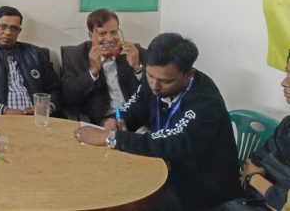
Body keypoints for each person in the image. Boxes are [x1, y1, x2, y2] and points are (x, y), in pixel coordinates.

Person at [73, 33, 240, 210]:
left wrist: (112, 138)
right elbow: (137, 106)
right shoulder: (154, 79)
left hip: (201, 186)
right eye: (150, 75)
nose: (154, 85)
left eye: (165, 81)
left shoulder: (206, 101)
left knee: (129, 201)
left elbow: (175, 142)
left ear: (189, 75)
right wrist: (115, 120)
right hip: (166, 168)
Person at [0, 6, 61, 115]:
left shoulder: (36, 54)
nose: (8, 32)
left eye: (14, 28)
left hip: (35, 117)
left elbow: (56, 90)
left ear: (19, 31)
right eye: (2, 26)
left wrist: (45, 107)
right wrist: (3, 110)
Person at [221, 50, 290, 210]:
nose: (284, 82)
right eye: (287, 73)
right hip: (252, 200)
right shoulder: (287, 124)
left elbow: (285, 204)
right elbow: (255, 161)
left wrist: (254, 179)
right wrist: (261, 184)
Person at [61, 8, 146, 125]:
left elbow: (155, 89)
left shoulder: (134, 52)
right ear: (91, 35)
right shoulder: (75, 57)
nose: (110, 39)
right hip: (100, 121)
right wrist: (93, 71)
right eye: (102, 33)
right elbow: (68, 98)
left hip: (135, 117)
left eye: (114, 32)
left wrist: (137, 68)